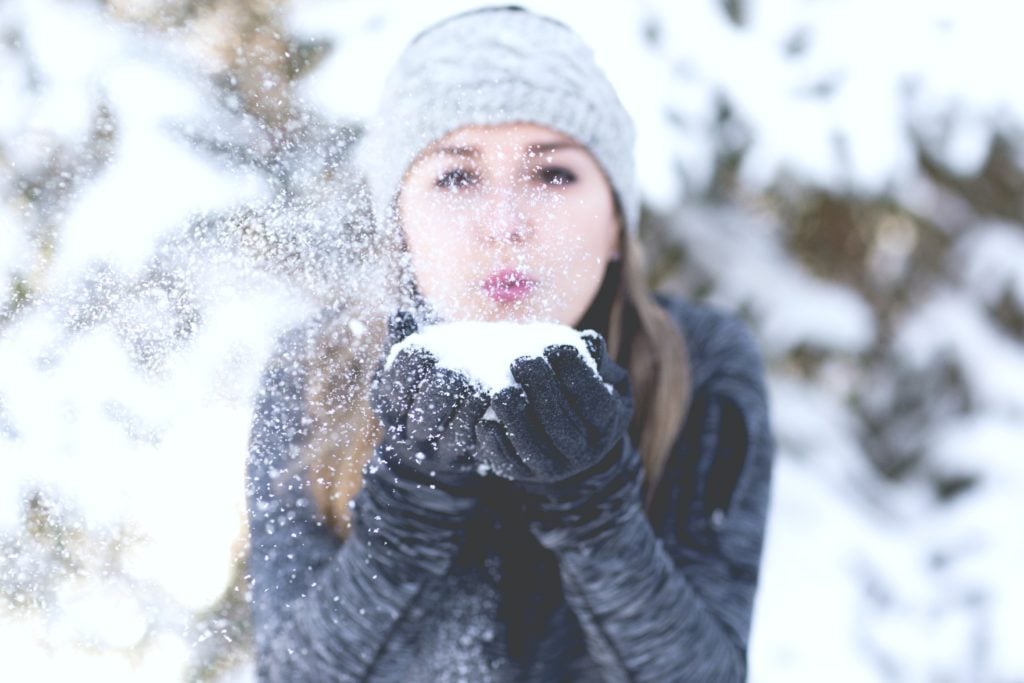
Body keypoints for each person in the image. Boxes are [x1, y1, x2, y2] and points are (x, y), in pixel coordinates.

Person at [245, 6, 773, 682]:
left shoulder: (697, 366)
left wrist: (595, 510)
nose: (505, 224)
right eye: (457, 175)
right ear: (399, 221)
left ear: (615, 220)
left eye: (553, 174)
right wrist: (411, 499)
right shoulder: (318, 373)